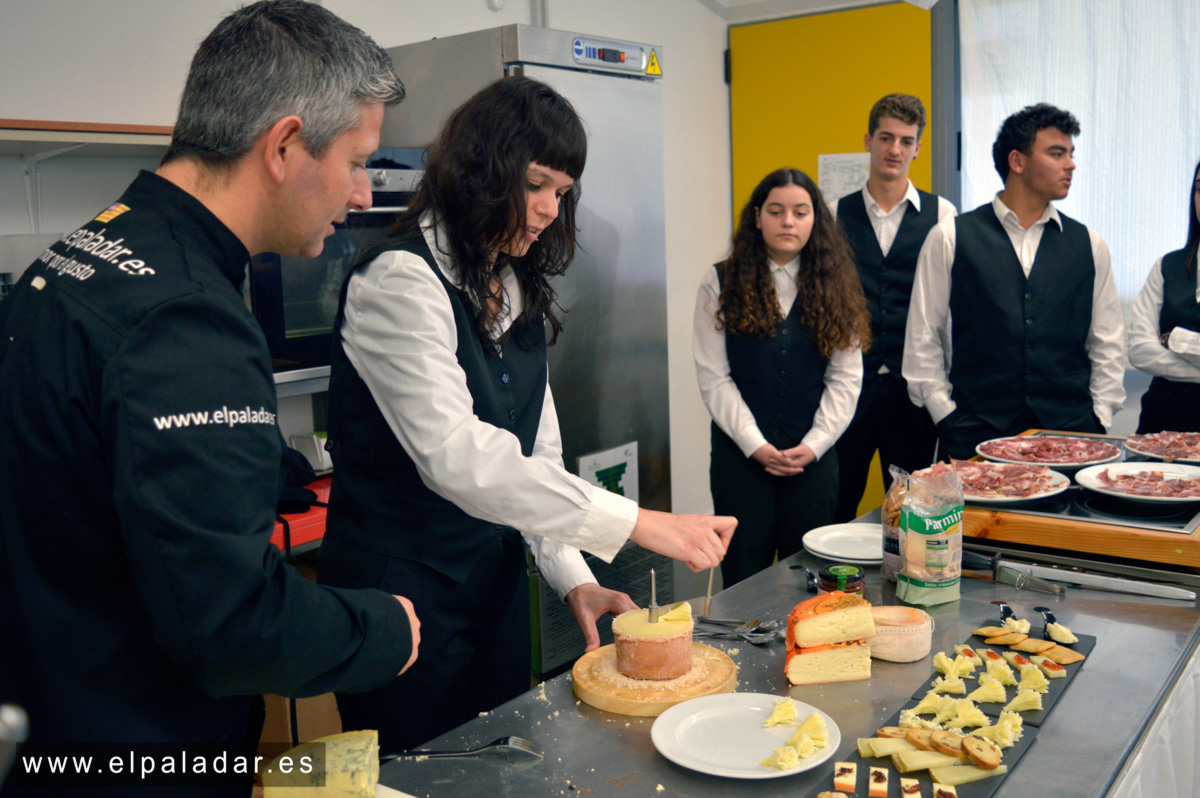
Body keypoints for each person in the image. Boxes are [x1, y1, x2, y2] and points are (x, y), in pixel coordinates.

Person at [0, 2, 419, 794]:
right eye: (358, 160)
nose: (363, 195)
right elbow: (231, 627)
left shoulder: (77, 255)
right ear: (286, 145)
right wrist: (383, 629)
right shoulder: (184, 317)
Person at [317, 76, 737, 753]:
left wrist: (574, 578)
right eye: (536, 184)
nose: (546, 209)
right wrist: (640, 522)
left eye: (562, 193)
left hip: (493, 590)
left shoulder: (513, 282)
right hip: (398, 601)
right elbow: (460, 458)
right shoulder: (397, 282)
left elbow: (532, 454)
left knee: (504, 764)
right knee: (417, 774)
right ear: (482, 169)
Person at [903, 103, 1125, 461]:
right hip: (974, 432)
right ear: (1017, 162)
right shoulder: (950, 237)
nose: (1070, 164)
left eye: (1070, 153)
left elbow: (1108, 342)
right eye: (1057, 153)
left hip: (1071, 434)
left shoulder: (1090, 244)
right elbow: (922, 341)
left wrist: (1099, 418)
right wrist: (948, 416)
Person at [693, 168, 868, 587]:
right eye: (776, 211)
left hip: (813, 461)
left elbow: (846, 378)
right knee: (742, 577)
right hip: (741, 461)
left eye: (800, 211)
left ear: (815, 220)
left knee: (809, 582)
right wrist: (756, 445)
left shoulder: (839, 284)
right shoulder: (718, 281)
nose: (788, 221)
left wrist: (814, 445)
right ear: (757, 218)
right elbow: (713, 377)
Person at [830, 94, 957, 522]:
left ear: (918, 147)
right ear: (868, 140)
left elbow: (947, 309)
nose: (895, 150)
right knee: (836, 498)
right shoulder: (833, 215)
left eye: (906, 141)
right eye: (886, 138)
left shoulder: (943, 216)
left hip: (913, 392)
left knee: (913, 509)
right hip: (849, 385)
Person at [1128, 159, 1200, 433]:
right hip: (1163, 422)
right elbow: (1139, 349)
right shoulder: (1166, 265)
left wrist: (1175, 340)